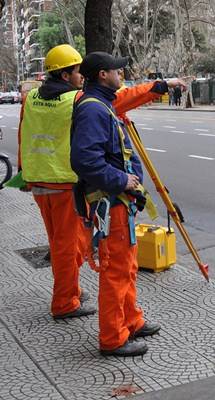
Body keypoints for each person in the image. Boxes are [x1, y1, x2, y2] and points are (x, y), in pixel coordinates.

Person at [18, 44, 185, 323]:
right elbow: (123, 98)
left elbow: (25, 133)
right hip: (65, 184)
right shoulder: (80, 101)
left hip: (39, 182)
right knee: (69, 247)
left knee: (59, 242)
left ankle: (69, 291)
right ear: (64, 75)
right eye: (75, 71)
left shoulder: (31, 97)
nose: (80, 75)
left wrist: (24, 172)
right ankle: (64, 302)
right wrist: (160, 85)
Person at [71, 52, 163, 357]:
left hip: (119, 203)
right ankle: (113, 338)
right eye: (116, 70)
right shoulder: (93, 109)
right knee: (116, 272)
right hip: (112, 202)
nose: (120, 74)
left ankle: (131, 320)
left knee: (127, 266)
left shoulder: (102, 103)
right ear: (102, 75)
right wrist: (121, 180)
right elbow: (85, 160)